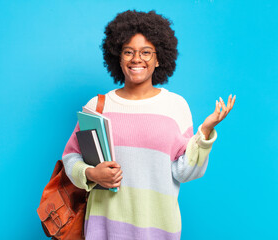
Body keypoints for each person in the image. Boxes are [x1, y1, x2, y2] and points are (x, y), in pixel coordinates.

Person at [62, 10, 236, 240]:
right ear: (118, 56)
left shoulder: (176, 106)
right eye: (128, 52)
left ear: (159, 58)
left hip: (158, 230)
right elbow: (71, 158)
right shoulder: (97, 105)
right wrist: (92, 173)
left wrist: (204, 133)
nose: (136, 59)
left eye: (146, 52)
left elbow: (184, 172)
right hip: (103, 229)